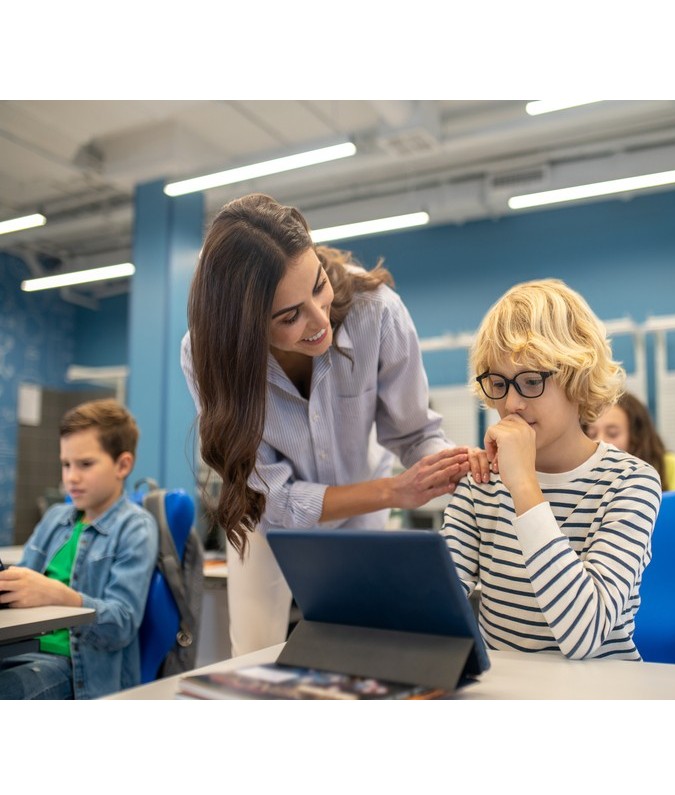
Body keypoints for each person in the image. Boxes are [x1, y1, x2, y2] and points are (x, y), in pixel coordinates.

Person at [181, 193, 489, 653]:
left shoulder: (377, 311)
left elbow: (415, 434)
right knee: (253, 651)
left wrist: (458, 469)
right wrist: (392, 491)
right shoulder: (206, 356)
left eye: (318, 286)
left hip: (361, 515)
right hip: (268, 522)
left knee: (363, 648)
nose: (319, 319)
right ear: (245, 327)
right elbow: (273, 499)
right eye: (290, 316)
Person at [441, 278, 662, 660]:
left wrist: (524, 484)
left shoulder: (631, 482)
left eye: (530, 381)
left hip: (597, 695)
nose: (511, 403)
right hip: (507, 694)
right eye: (498, 382)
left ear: (578, 382)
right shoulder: (481, 482)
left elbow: (584, 632)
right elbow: (435, 606)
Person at [0, 399, 158, 699]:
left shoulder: (135, 527)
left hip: (75, 668)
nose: (71, 477)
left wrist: (59, 595)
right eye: (66, 464)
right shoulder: (55, 518)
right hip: (21, 651)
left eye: (85, 464)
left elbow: (122, 624)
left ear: (122, 465)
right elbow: (19, 585)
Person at [584, 391, 675, 491]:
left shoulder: (668, 464)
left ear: (636, 436)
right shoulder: (586, 472)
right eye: (592, 434)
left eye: (613, 434)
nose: (600, 441)